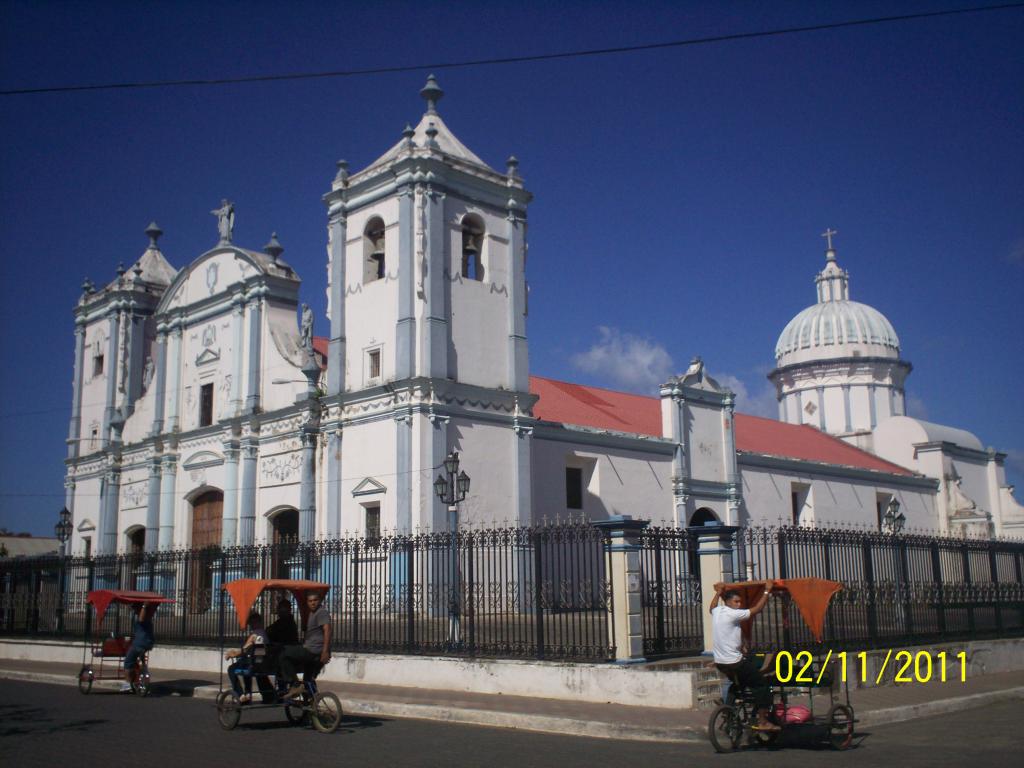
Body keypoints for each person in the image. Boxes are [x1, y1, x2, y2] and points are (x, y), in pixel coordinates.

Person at [709, 580, 779, 731]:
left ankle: (728, 710)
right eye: (736, 601)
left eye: (740, 601)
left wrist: (718, 593)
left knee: (738, 685)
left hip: (721, 662)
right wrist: (767, 591)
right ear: (727, 602)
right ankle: (762, 721)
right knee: (761, 684)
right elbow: (757, 609)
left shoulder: (717, 612)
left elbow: (712, 607)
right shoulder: (733, 614)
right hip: (734, 662)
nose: (739, 604)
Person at [280, 592, 332, 699]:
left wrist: (325, 651)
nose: (313, 603)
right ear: (307, 603)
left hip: (313, 650)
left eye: (315, 600)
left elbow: (327, 630)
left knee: (283, 653)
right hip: (312, 650)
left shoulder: (321, 612)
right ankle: (313, 703)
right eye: (310, 601)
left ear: (319, 601)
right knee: (308, 679)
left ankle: (295, 684)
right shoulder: (312, 613)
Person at [225, 611, 268, 703]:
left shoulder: (254, 636)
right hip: (263, 663)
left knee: (231, 669)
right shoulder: (265, 634)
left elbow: (243, 650)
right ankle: (248, 693)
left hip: (254, 665)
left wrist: (231, 654)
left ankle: (240, 694)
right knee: (246, 663)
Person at [121, 602, 156, 692]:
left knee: (128, 662)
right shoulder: (149, 619)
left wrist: (144, 606)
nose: (135, 611)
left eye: (136, 609)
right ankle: (144, 670)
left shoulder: (142, 617)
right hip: (148, 643)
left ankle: (128, 683)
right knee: (141, 656)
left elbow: (141, 619)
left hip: (139, 643)